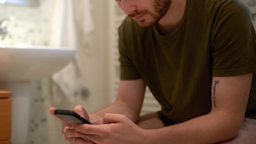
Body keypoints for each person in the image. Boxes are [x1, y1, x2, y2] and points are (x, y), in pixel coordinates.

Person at [50, 0, 256, 143]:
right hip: (174, 119)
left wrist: (144, 139)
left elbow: (226, 119)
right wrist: (91, 123)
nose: (126, 9)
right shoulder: (130, 31)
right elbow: (127, 104)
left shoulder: (226, 12)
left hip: (245, 121)